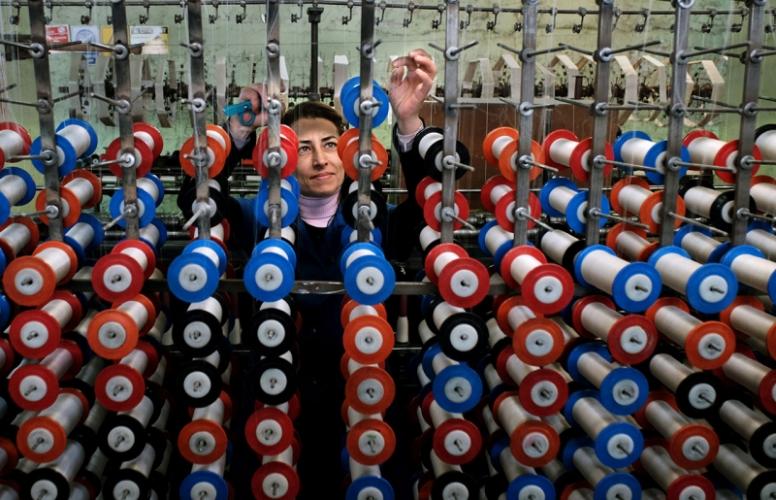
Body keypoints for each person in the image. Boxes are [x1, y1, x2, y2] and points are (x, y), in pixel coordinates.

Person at [205, 49, 436, 496]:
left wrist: (408, 124)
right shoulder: (258, 220)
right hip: (275, 401)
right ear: (284, 157)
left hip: (362, 400)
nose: (320, 160)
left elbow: (428, 209)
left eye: (330, 145)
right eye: (302, 148)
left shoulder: (375, 221)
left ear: (350, 151)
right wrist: (235, 136)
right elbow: (209, 198)